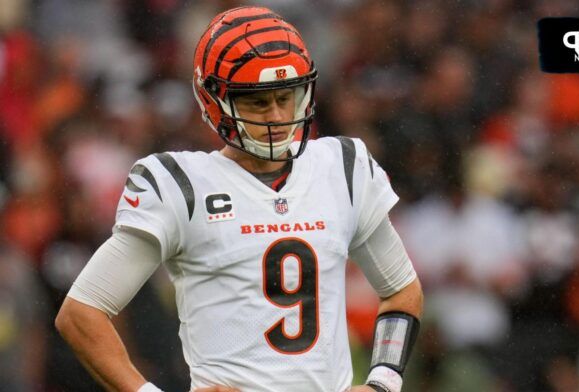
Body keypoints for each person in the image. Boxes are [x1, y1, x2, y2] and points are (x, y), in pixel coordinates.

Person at [55, 6, 423, 392]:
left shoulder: (342, 168)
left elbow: (401, 290)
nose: (278, 116)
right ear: (213, 100)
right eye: (258, 102)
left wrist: (383, 382)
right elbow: (81, 313)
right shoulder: (182, 186)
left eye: (287, 96)